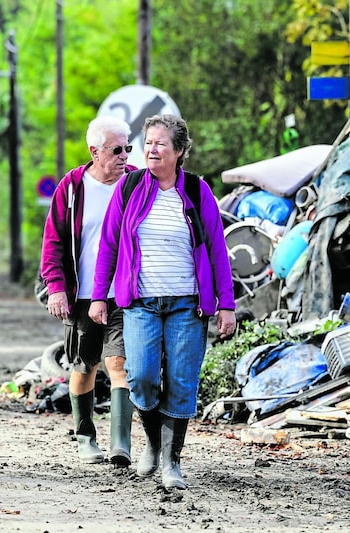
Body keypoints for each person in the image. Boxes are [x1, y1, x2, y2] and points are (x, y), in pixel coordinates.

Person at [89, 114, 236, 490]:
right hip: (140, 302)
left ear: (179, 151)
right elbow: (108, 245)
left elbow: (218, 250)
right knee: (141, 376)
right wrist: (99, 296)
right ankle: (153, 445)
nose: (151, 149)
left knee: (183, 382)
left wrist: (226, 304)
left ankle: (171, 461)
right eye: (148, 142)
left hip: (188, 304)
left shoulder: (198, 191)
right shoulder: (130, 187)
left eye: (160, 143)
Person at [40, 116, 138, 465]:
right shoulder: (71, 187)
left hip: (124, 293)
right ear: (94, 151)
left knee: (120, 363)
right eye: (116, 149)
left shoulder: (137, 183)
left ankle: (120, 445)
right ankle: (85, 436)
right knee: (84, 365)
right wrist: (56, 288)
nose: (124, 154)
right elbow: (52, 240)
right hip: (82, 294)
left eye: (127, 147)